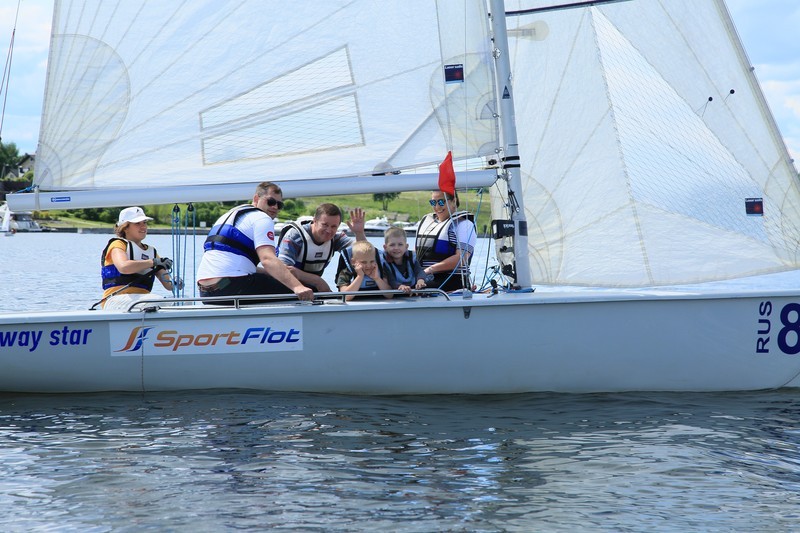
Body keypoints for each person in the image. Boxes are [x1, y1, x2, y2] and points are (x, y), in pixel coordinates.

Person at [196, 181, 313, 304]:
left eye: (279, 205)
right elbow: (267, 259)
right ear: (256, 198)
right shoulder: (262, 218)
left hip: (206, 293)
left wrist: (275, 272)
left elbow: (236, 263)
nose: (275, 207)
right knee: (311, 291)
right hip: (231, 286)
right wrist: (298, 287)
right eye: (270, 201)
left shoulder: (230, 215)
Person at [100, 206, 181, 310]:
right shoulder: (118, 244)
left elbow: (169, 286)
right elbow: (124, 267)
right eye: (137, 223)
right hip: (115, 300)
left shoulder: (151, 252)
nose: (143, 227)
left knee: (182, 302)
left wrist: (177, 283)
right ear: (125, 227)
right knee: (156, 301)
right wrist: (153, 262)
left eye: (144, 223)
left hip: (141, 301)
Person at [278, 203, 366, 292]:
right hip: (285, 287)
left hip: (311, 289)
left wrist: (359, 233)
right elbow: (283, 270)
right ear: (315, 221)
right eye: (325, 225)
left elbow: (365, 253)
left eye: (333, 226)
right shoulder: (295, 236)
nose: (329, 230)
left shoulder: (336, 238)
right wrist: (317, 281)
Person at [415, 190, 476, 292]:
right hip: (424, 278)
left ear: (454, 201)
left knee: (412, 289)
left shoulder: (464, 224)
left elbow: (461, 258)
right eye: (433, 202)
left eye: (441, 202)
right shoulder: (426, 222)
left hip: (451, 281)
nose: (437, 207)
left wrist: (428, 270)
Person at [381, 226, 427, 294]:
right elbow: (391, 280)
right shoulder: (384, 261)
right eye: (392, 245)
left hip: (413, 290)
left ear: (406, 247)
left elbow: (419, 271)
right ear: (385, 247)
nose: (396, 248)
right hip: (396, 293)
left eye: (400, 244)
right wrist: (400, 286)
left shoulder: (411, 257)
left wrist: (420, 280)